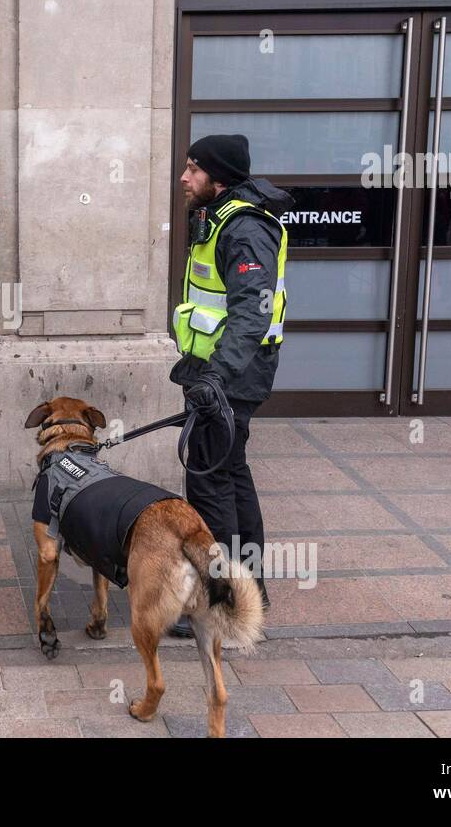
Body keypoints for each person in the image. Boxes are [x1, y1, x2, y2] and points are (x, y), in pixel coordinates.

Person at [167, 134, 290, 638]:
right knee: (231, 475)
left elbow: (250, 313)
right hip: (220, 371)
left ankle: (221, 606)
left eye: (193, 169)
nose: (184, 177)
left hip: (231, 375)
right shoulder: (219, 219)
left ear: (218, 178)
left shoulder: (244, 230)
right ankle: (250, 592)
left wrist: (217, 376)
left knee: (211, 483)